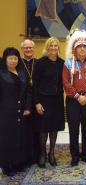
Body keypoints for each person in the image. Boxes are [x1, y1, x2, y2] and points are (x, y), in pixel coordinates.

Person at [63, 29, 86, 167]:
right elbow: (66, 83)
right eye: (79, 46)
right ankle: (74, 156)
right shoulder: (67, 63)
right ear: (74, 48)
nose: (82, 49)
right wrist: (78, 96)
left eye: (85, 46)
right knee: (73, 128)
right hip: (73, 100)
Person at [33, 37, 65, 168]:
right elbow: (34, 85)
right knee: (43, 129)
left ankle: (52, 153)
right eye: (51, 46)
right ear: (47, 47)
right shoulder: (40, 63)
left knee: (54, 127)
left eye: (55, 46)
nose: (53, 48)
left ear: (58, 48)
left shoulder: (62, 63)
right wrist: (37, 103)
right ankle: (42, 154)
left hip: (57, 100)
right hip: (43, 100)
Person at [0, 47, 32, 176]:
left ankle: (19, 162)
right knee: (8, 138)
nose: (13, 61)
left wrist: (28, 107)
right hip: (6, 111)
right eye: (10, 58)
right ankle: (7, 165)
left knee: (21, 137)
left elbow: (29, 91)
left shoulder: (22, 72)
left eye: (15, 58)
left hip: (23, 111)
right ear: (5, 59)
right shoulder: (1, 74)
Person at [20, 39, 40, 165]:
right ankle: (25, 157)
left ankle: (37, 156)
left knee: (37, 129)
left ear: (34, 49)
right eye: (26, 48)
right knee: (24, 131)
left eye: (30, 48)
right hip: (23, 102)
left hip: (37, 100)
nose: (28, 50)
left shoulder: (38, 63)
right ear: (22, 49)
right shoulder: (18, 63)